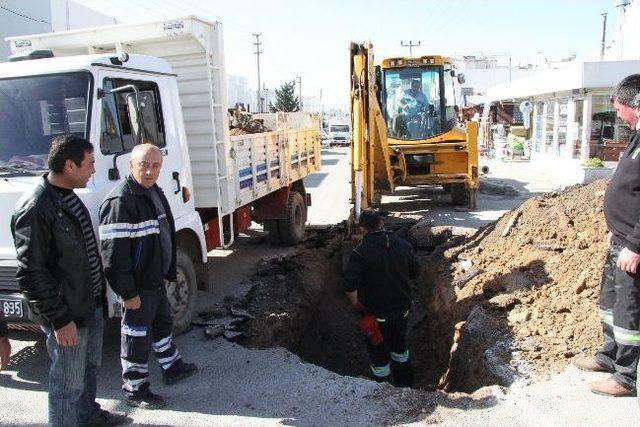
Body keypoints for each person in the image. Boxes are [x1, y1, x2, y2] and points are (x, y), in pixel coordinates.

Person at [11, 135, 127, 426]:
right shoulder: (36, 208)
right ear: (69, 165)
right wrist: (60, 319)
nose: (93, 171)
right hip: (68, 314)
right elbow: (31, 273)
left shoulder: (68, 196)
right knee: (66, 386)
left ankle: (87, 416)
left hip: (89, 306)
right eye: (89, 164)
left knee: (88, 371)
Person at [99, 143, 197, 409]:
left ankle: (171, 366)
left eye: (155, 166)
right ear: (130, 166)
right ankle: (136, 389)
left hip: (156, 281)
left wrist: (168, 271)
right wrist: (127, 293)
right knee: (135, 336)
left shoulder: (153, 192)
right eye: (143, 165)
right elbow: (113, 256)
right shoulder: (120, 201)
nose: (150, 171)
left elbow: (165, 234)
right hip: (138, 288)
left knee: (162, 326)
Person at [573, 74, 640, 397]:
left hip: (632, 247)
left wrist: (635, 244)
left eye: (619, 108)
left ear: (636, 106)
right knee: (609, 303)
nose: (616, 114)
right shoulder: (636, 137)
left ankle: (625, 377)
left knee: (628, 310)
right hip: (619, 238)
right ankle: (608, 356)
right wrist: (615, 229)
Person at [344, 209, 421, 387]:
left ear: (363, 229)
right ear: (381, 223)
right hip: (402, 310)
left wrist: (356, 304)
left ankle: (382, 389)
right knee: (400, 349)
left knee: (379, 354)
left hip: (376, 314)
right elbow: (415, 271)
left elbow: (350, 285)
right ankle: (405, 386)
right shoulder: (403, 245)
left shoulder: (360, 252)